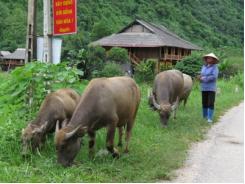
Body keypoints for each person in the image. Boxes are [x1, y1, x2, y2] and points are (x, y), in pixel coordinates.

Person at [198, 53, 219, 123]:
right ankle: (204, 116)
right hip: (204, 87)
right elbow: (202, 74)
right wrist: (200, 77)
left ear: (213, 60)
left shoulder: (215, 67)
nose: (208, 59)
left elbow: (214, 77)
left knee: (210, 102)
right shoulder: (204, 67)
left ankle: (210, 118)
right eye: (207, 58)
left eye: (210, 58)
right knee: (204, 102)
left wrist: (204, 79)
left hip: (211, 88)